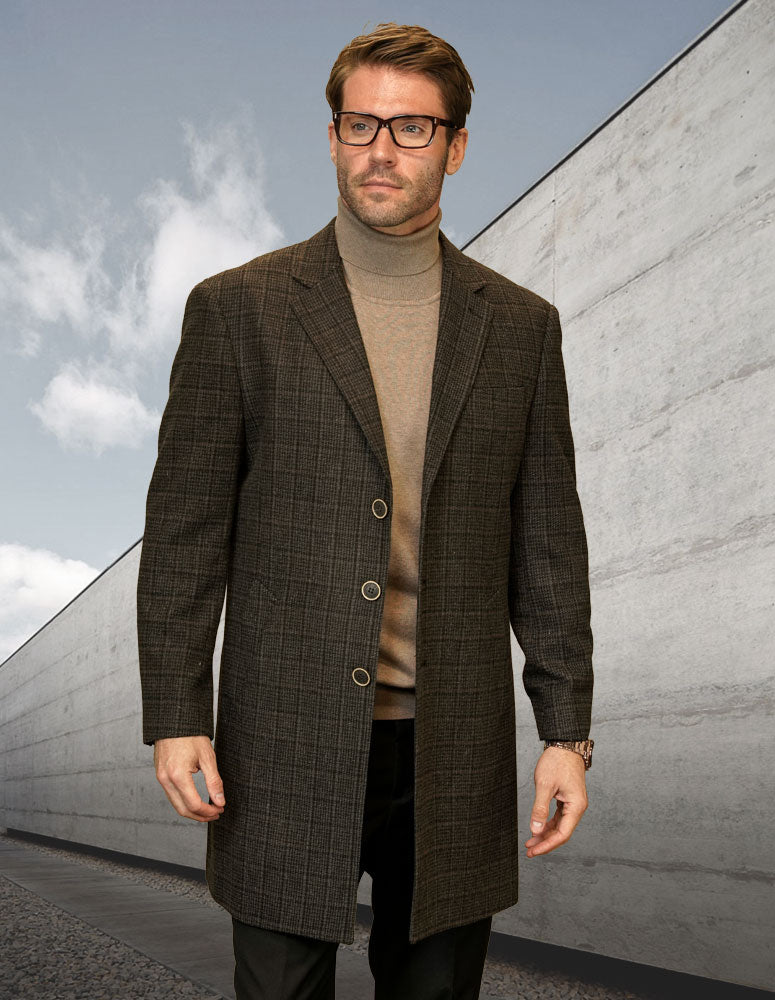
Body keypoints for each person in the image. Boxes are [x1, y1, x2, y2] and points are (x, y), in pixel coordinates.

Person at [137, 21, 594, 1000]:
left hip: (454, 748)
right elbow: (184, 532)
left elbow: (546, 541)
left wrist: (564, 731)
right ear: (334, 134)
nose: (380, 150)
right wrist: (178, 712)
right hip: (282, 737)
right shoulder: (239, 309)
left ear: (457, 146)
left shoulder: (520, 328)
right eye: (360, 123)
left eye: (412, 129)